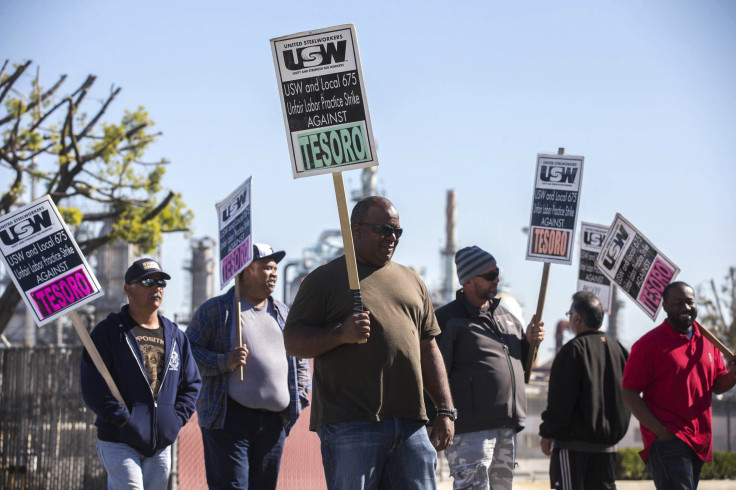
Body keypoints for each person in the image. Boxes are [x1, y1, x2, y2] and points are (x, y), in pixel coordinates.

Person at [283, 196, 455, 490]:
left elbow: (429, 349)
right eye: (384, 230)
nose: (392, 238)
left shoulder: (412, 281)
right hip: (351, 425)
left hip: (411, 423)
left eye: (397, 232)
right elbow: (293, 342)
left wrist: (445, 409)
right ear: (357, 230)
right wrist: (340, 333)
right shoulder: (323, 280)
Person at [185, 243, 311, 490]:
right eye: (266, 267)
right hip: (230, 420)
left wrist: (301, 395)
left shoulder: (284, 313)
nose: (274, 273)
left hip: (274, 423)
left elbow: (300, 360)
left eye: (275, 268)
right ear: (246, 271)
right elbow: (189, 354)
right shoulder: (215, 311)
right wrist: (224, 361)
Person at [81, 258, 201, 490]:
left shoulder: (176, 336)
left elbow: (192, 383)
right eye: (148, 282)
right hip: (119, 439)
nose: (156, 288)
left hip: (160, 444)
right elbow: (92, 386)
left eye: (161, 283)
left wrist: (175, 421)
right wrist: (124, 420)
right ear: (128, 289)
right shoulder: (109, 332)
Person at [431, 245, 545, 490]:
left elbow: (522, 368)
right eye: (490, 275)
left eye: (497, 273)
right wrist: (436, 418)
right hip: (471, 429)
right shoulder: (448, 320)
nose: (497, 279)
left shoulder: (508, 319)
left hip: (506, 425)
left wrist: (529, 343)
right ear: (469, 281)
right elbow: (433, 372)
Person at [622, 281, 736, 489]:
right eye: (677, 303)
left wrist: (733, 374)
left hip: (700, 440)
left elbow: (718, 385)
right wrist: (661, 432)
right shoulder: (648, 345)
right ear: (664, 306)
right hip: (668, 441)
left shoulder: (708, 342)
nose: (685, 307)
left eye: (689, 302)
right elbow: (629, 393)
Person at [539, 291, 630, 490]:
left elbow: (561, 401)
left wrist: (548, 432)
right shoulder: (620, 350)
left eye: (570, 315)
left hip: (574, 449)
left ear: (578, 319)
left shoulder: (573, 349)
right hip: (608, 449)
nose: (569, 319)